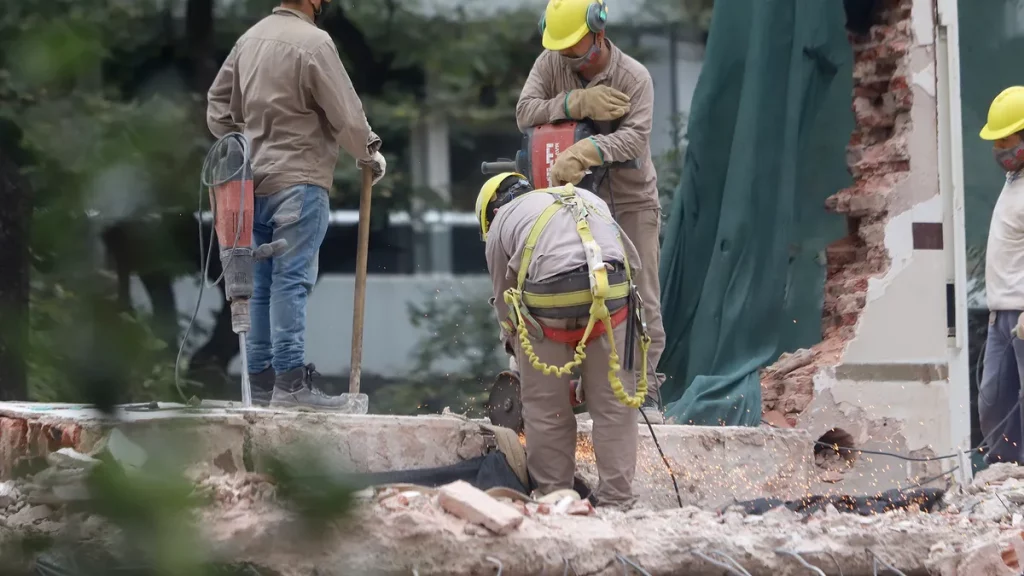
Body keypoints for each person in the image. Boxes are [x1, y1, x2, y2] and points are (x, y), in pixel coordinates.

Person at [206, 0, 386, 409]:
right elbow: (347, 115)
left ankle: (263, 385)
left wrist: (244, 140)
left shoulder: (248, 41)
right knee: (291, 282)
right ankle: (291, 385)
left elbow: (218, 108)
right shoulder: (315, 43)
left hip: (252, 184)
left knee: (259, 287)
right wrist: (368, 152)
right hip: (299, 182)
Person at [516, 0, 666, 423]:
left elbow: (635, 139)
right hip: (574, 201)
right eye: (564, 52)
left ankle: (647, 391)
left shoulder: (634, 77)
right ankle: (581, 386)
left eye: (577, 52)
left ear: (599, 31)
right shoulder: (551, 63)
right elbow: (525, 111)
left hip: (630, 198)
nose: (570, 60)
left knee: (640, 295)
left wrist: (589, 149)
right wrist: (573, 103)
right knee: (576, 289)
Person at [477, 172, 649, 508]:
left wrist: (519, 356)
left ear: (491, 213)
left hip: (549, 300)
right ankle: (618, 499)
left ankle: (556, 496)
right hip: (612, 294)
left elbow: (505, 303)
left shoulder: (501, 225)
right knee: (614, 402)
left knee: (546, 408)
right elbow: (632, 262)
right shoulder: (586, 198)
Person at [978, 86, 1024, 464]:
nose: (998, 150)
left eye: (1005, 139)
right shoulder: (1014, 182)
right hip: (1001, 313)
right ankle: (1006, 472)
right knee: (993, 397)